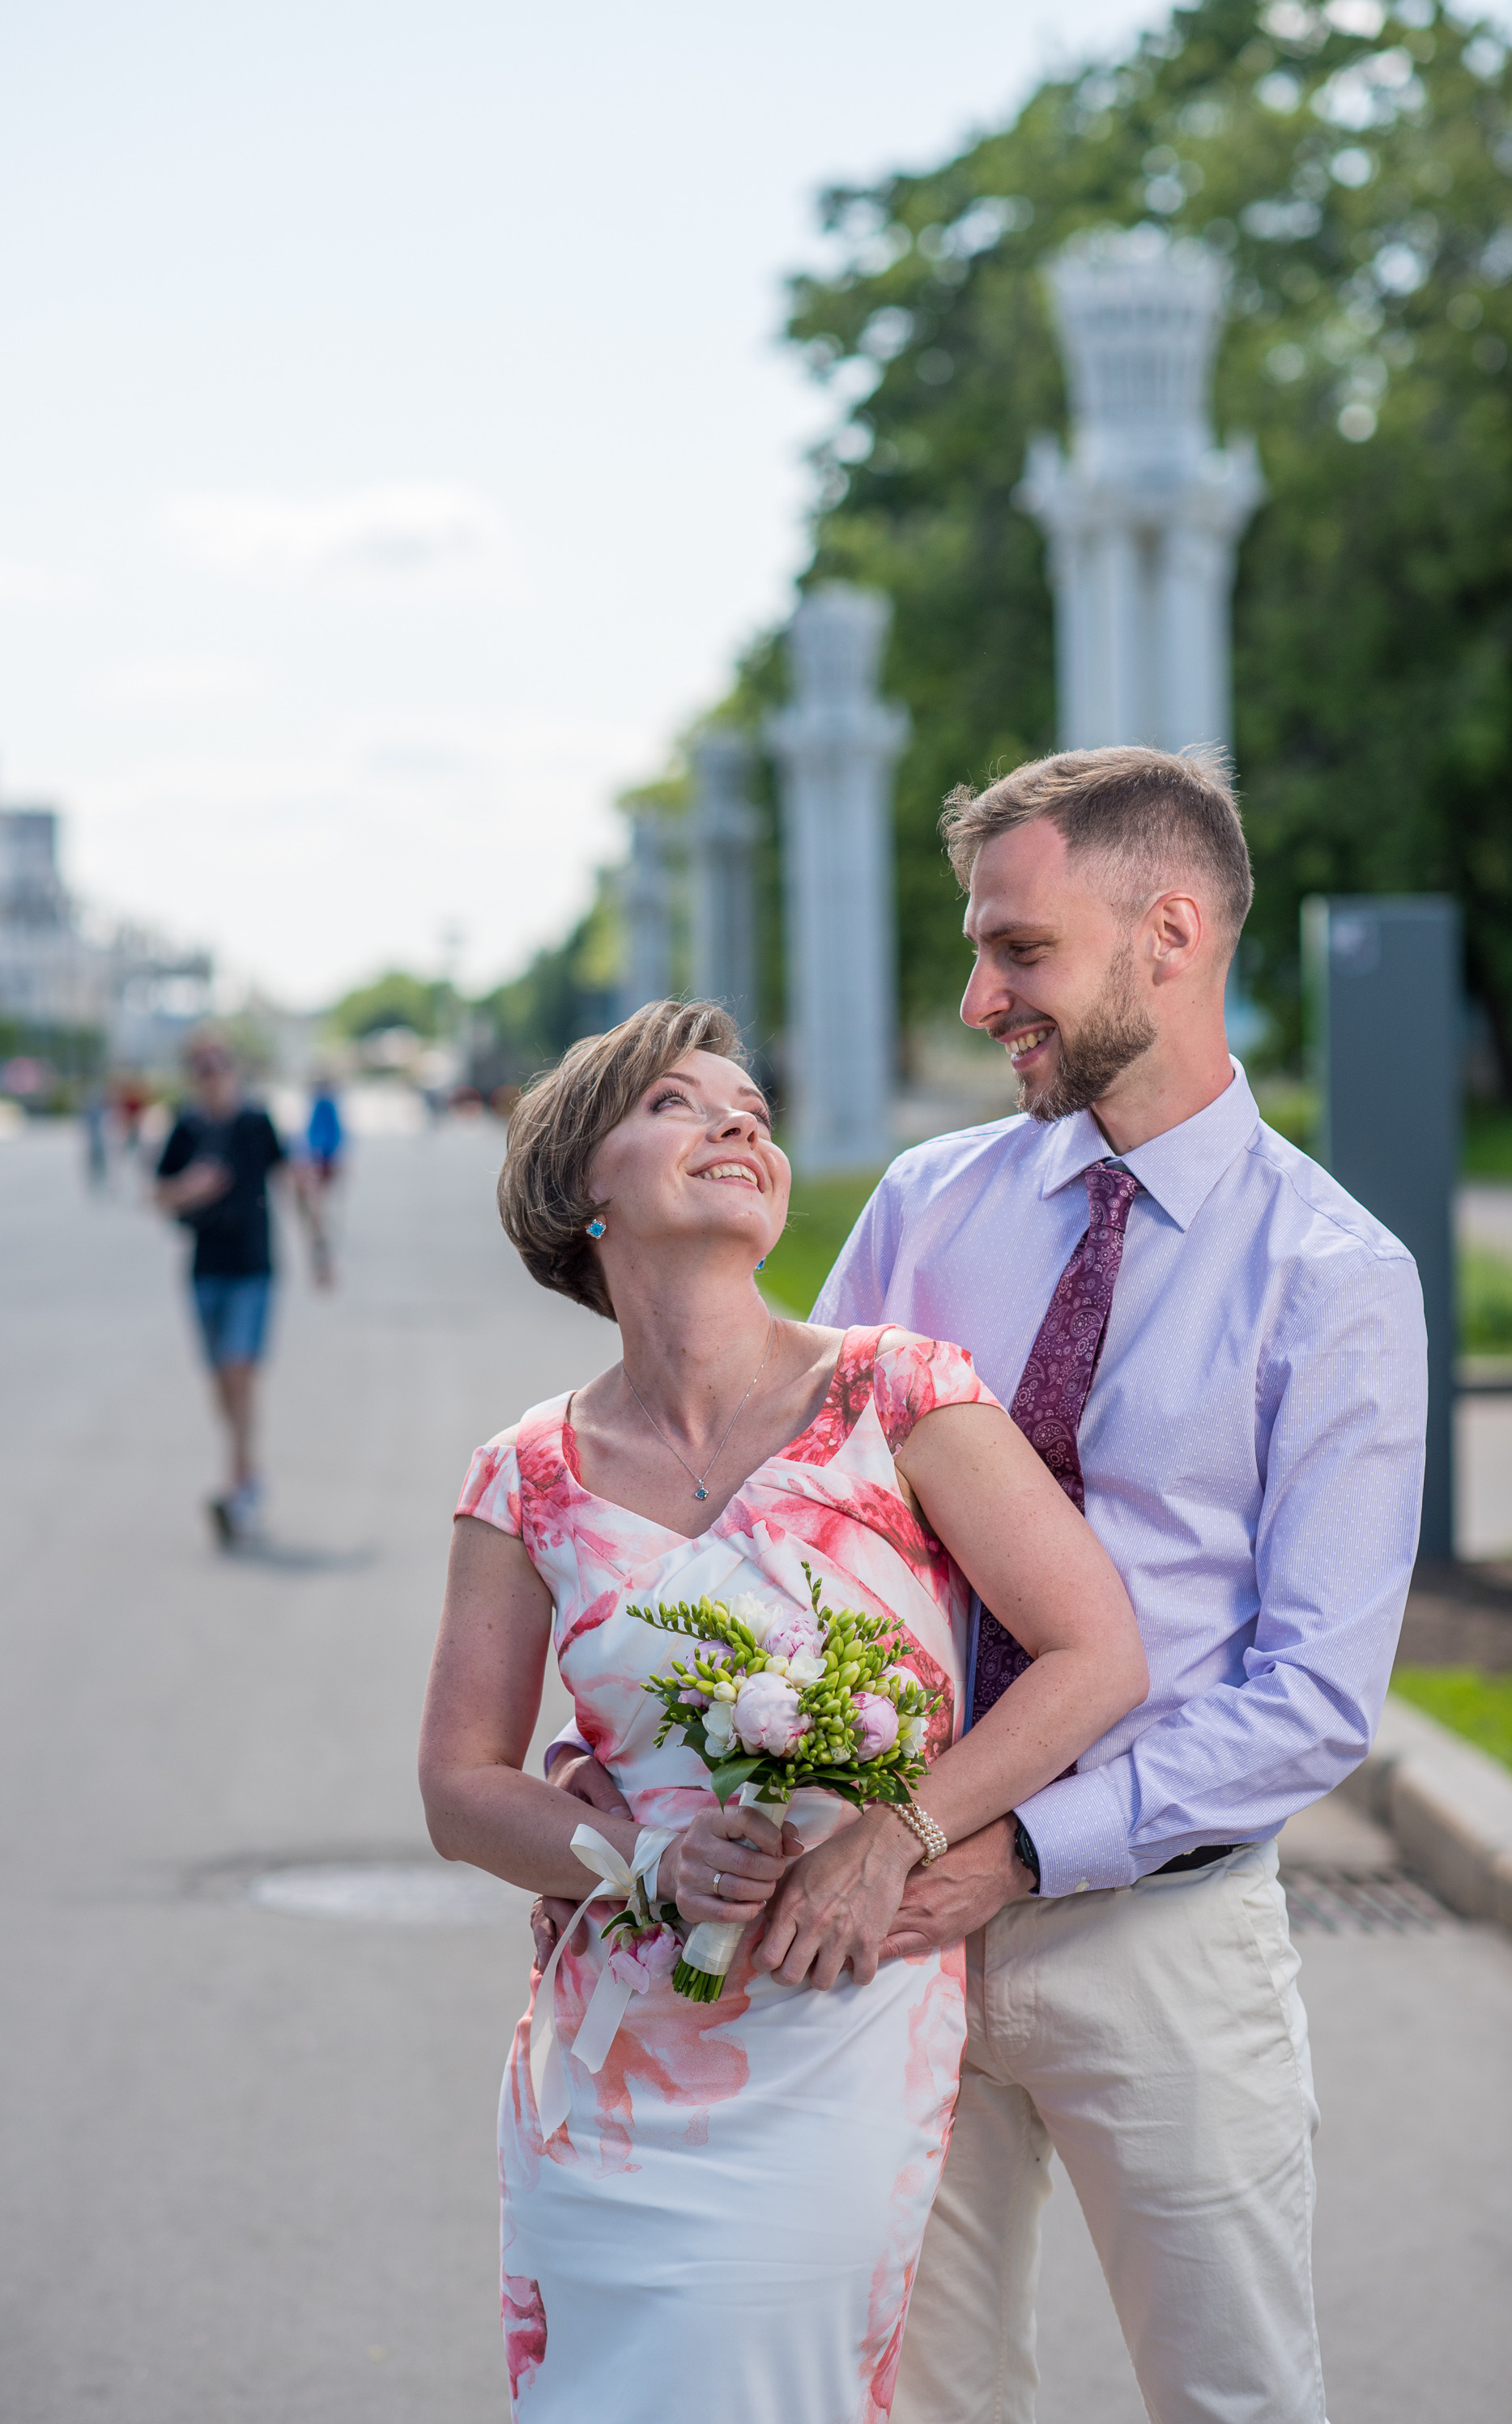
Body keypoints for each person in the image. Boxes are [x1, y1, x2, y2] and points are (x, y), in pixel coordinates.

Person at [549, 748, 1429, 2424]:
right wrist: (639, 1753)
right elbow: (776, 1521)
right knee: (913, 2399)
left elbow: (1310, 1700)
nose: (974, 998)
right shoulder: (923, 1203)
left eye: (1014, 951)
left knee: (1229, 2397)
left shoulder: (1332, 1280)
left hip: (1152, 1939)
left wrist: (1004, 1847)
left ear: (1163, 934)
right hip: (871, 1943)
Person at [418, 999, 1147, 2424]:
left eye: (747, 1103)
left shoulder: (893, 1395)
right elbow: (458, 1786)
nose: (736, 1120)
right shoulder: (523, 1478)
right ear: (582, 1190)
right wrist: (632, 1861)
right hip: (610, 2058)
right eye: (678, 1104)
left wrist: (897, 1825)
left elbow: (1094, 1655)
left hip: (835, 2018)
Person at [153, 1033, 287, 1548]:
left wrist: (320, 1247)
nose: (211, 1077)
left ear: (232, 1071)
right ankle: (248, 1470)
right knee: (220, 1381)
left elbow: (290, 1176)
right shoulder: (185, 1127)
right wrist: (192, 1187)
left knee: (238, 1371)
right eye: (201, 1069)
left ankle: (238, 1483)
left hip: (254, 1269)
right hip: (204, 1270)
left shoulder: (256, 1123)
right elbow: (158, 1194)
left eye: (218, 1067)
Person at [296, 1071, 346, 1289]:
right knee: (317, 1209)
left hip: (320, 1162)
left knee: (317, 1209)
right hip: (320, 1162)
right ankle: (320, 1244)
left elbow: (325, 1135)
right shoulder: (325, 1104)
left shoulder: (323, 1105)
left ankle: (321, 1248)